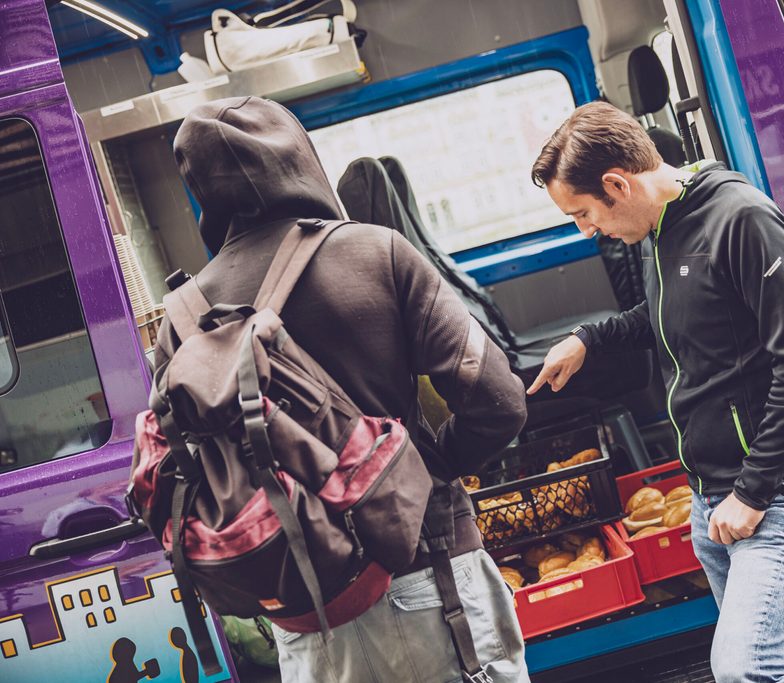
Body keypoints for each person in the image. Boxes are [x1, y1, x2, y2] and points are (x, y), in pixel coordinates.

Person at [164, 96, 530, 683]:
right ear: (298, 158)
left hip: (304, 618)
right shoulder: (377, 252)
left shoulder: (183, 318)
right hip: (431, 580)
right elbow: (499, 403)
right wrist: (425, 468)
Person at [527, 102, 784, 683]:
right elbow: (668, 310)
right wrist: (587, 340)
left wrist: (752, 492)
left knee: (744, 669)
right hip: (712, 496)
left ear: (616, 184)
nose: (586, 231)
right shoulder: (661, 228)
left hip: (780, 486)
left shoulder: (741, 220)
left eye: (583, 214)